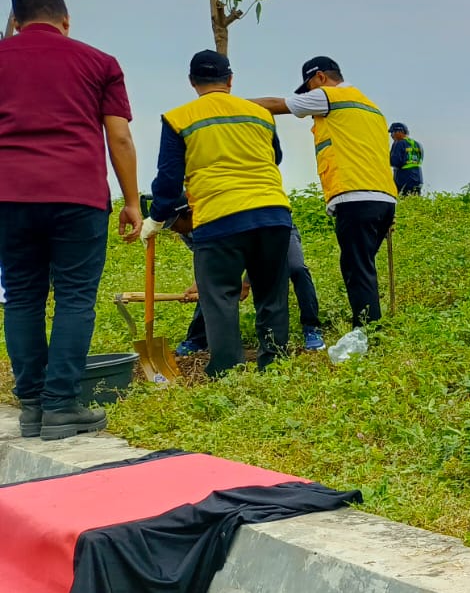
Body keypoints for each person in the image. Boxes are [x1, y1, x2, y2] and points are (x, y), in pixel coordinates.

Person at [0, 0, 140, 439]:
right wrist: (133, 201)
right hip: (77, 195)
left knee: (22, 297)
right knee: (75, 298)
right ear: (66, 20)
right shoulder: (99, 62)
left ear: (16, 22)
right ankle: (61, 406)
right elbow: (118, 137)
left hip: (9, 195)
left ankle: (33, 407)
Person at [143, 51, 292, 377]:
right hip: (273, 213)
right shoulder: (260, 114)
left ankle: (227, 372)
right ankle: (275, 365)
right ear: (230, 80)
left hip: (220, 218)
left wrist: (155, 218)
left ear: (192, 82)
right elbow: (275, 157)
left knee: (220, 297)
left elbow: (168, 180)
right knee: (271, 294)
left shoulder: (178, 118)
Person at [252, 57, 395, 326]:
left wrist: (230, 106)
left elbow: (277, 105)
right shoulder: (371, 107)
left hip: (355, 195)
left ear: (319, 77)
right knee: (363, 265)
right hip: (383, 197)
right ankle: (372, 324)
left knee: (356, 268)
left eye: (309, 88)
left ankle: (366, 330)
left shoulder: (329, 96)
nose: (309, 96)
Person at [175, 221, 324, 354]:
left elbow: (257, 254)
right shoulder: (188, 231)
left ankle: (311, 327)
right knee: (213, 284)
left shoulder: (221, 218)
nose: (174, 230)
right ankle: (197, 338)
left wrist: (245, 284)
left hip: (276, 228)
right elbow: (212, 264)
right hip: (243, 235)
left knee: (296, 268)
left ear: (187, 214)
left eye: (174, 224)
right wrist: (201, 283)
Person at [389, 122, 424, 195]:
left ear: (400, 132)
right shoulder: (417, 144)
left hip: (403, 178)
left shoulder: (398, 143)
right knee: (415, 200)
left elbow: (395, 161)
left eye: (392, 132)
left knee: (403, 200)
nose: (391, 135)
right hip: (418, 177)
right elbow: (421, 159)